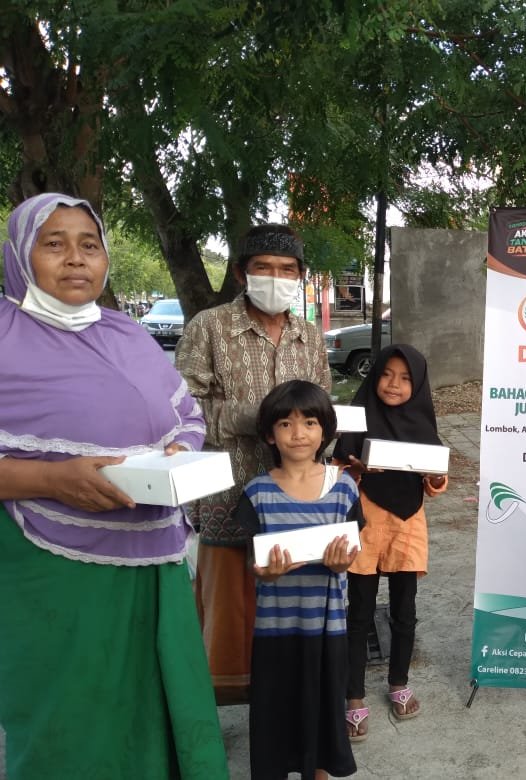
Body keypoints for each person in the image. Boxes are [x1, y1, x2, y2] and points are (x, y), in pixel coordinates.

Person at [0, 193, 228, 778]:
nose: (76, 258)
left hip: (156, 561)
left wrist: (181, 452)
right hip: (53, 570)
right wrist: (50, 479)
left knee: (159, 706)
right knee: (73, 719)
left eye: (89, 245)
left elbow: (188, 416)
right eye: (54, 244)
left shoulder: (128, 334)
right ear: (20, 255)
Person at [176, 223, 332, 704]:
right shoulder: (210, 327)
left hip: (296, 501)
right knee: (229, 613)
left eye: (287, 269)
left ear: (300, 276)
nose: (275, 277)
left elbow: (322, 408)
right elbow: (178, 407)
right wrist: (249, 416)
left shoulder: (309, 335)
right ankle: (222, 707)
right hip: (227, 494)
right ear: (242, 273)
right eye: (263, 267)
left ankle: (287, 706)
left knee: (292, 601)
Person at [236, 380, 360, 779]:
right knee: (276, 712)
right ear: (270, 435)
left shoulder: (343, 489)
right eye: (285, 424)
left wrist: (341, 565)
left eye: (309, 422)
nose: (298, 433)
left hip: (326, 629)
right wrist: (264, 571)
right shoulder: (257, 493)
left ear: (325, 430)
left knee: (322, 713)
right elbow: (252, 560)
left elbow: (352, 551)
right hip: (276, 629)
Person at [332, 344, 448, 741]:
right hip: (366, 526)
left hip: (406, 527)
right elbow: (337, 473)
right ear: (373, 376)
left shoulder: (423, 425)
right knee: (359, 613)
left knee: (404, 611)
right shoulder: (357, 420)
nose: (393, 384)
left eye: (405, 378)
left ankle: (399, 682)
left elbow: (435, 482)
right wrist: (355, 471)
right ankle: (353, 695)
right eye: (385, 374)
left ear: (418, 385)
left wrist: (435, 476)